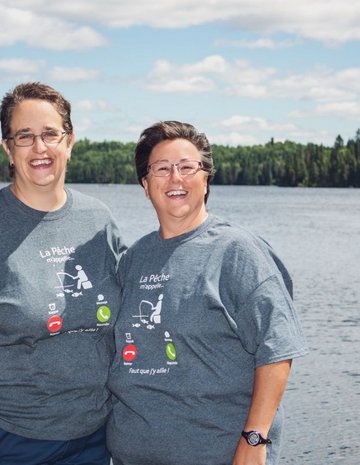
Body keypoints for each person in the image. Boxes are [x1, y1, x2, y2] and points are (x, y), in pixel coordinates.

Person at [107, 121, 308, 465]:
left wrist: (255, 438)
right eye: (162, 169)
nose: (176, 179)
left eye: (187, 167)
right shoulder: (134, 258)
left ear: (206, 178)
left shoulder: (238, 252)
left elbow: (277, 350)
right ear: (145, 184)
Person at [0, 82, 126, 465]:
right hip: (16, 439)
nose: (40, 148)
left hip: (98, 435)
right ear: (8, 147)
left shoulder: (98, 220)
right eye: (25, 137)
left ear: (69, 141)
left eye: (50, 134)